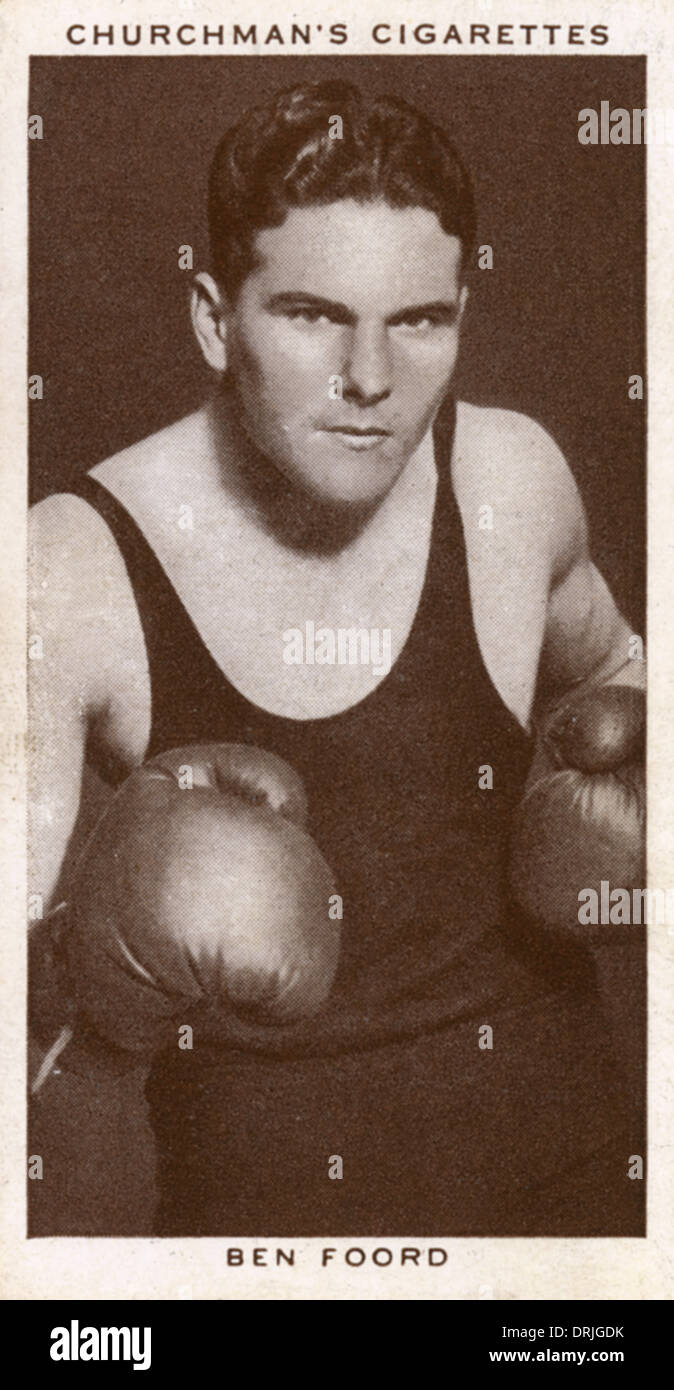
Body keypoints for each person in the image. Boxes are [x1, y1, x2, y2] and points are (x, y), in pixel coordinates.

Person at [29, 80, 645, 1236]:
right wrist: (83, 989)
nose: (369, 378)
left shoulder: (509, 483)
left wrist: (634, 783)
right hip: (262, 1253)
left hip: (575, 1223)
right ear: (216, 319)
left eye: (418, 319)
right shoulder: (69, 571)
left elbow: (615, 672)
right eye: (312, 313)